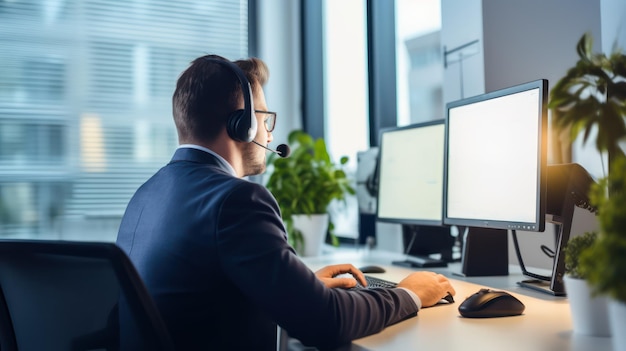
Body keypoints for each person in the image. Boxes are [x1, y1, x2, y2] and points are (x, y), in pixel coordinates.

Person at [116, 54, 456, 350]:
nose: (270, 134)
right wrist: (408, 294)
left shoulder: (146, 195)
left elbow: (200, 298)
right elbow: (327, 323)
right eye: (264, 119)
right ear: (242, 124)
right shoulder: (236, 200)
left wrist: (299, 287)